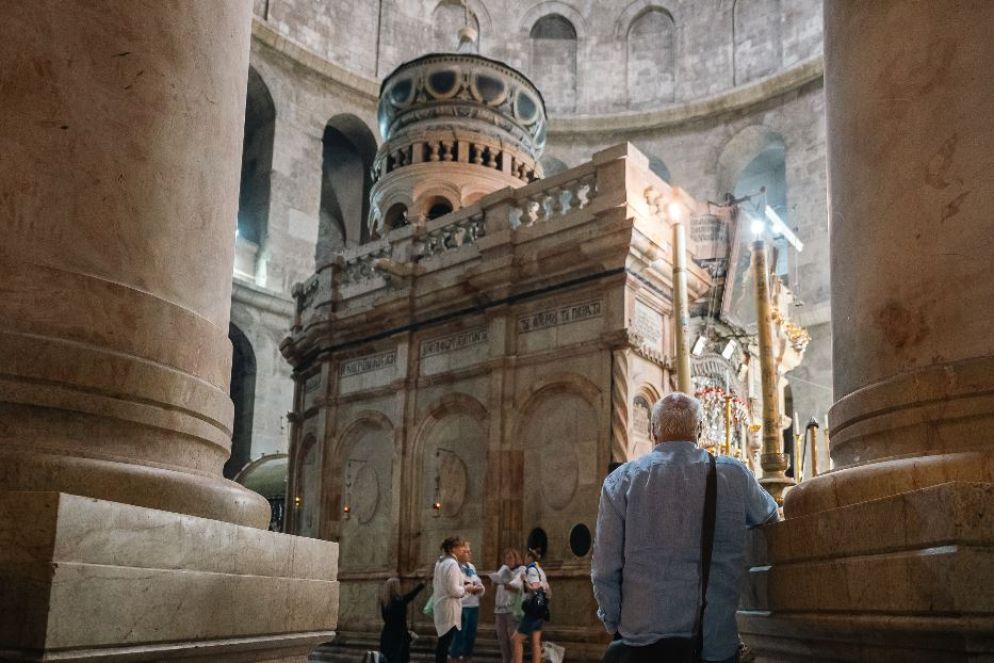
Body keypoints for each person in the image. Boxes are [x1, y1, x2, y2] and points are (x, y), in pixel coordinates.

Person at [591, 392, 779, 663]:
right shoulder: (733, 474)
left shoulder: (621, 482)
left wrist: (614, 622)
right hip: (713, 642)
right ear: (700, 430)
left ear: (652, 431)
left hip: (641, 641)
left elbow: (605, 569)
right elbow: (770, 519)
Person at [432, 536, 480, 663]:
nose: (464, 550)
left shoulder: (440, 562)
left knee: (442, 643)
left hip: (441, 605)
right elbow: (454, 591)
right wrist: (467, 588)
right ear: (453, 549)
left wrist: (462, 584)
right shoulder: (452, 564)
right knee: (445, 644)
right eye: (461, 547)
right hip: (449, 608)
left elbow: (443, 584)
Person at [511, 548, 549, 663]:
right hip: (540, 609)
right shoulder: (540, 570)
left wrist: (524, 581)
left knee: (516, 640)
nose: (524, 559)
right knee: (535, 643)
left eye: (526, 557)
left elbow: (534, 587)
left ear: (530, 558)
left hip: (533, 610)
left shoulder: (531, 569)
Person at [449, 541, 485, 662]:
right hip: (461, 606)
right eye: (466, 551)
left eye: (470, 551)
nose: (469, 553)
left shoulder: (471, 566)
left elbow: (478, 582)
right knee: (459, 636)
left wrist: (479, 588)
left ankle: (467, 658)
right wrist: (470, 588)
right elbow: (456, 588)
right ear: (459, 552)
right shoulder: (453, 567)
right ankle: (454, 658)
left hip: (473, 605)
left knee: (470, 636)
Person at [378, 576, 425, 663]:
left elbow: (385, 619)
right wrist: (421, 585)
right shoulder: (400, 602)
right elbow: (411, 595)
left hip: (387, 634)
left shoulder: (384, 602)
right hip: (399, 635)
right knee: (400, 658)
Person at [490, 547, 524, 663]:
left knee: (513, 638)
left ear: (516, 558)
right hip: (500, 609)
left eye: (510, 557)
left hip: (512, 609)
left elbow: (519, 587)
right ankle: (506, 660)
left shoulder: (521, 570)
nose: (508, 560)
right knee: (502, 638)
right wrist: (495, 580)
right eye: (506, 558)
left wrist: (507, 584)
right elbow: (494, 583)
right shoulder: (503, 569)